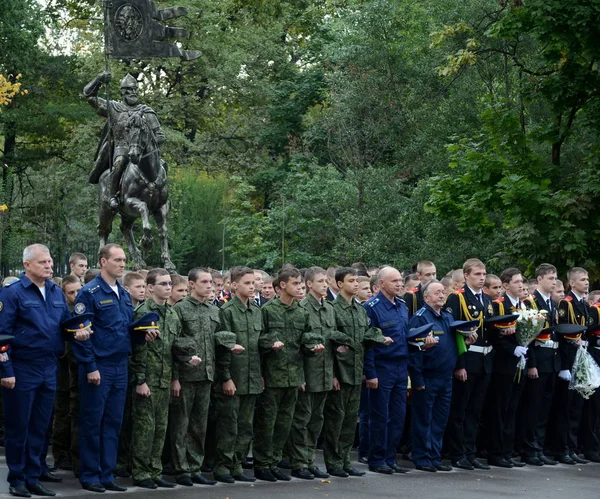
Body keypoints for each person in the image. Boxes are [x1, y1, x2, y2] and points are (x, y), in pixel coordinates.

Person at [0, 244, 90, 498]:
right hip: (21, 367)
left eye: (50, 261)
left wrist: (77, 334)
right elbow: (1, 335)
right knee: (19, 426)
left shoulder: (54, 292)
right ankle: (17, 478)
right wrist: (5, 369)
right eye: (43, 262)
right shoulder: (12, 293)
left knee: (40, 425)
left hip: (49, 367)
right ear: (27, 265)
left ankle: (32, 475)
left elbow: (62, 326)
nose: (49, 266)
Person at [71, 243, 144, 493]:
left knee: (113, 421)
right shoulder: (89, 293)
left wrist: (143, 335)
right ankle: (90, 474)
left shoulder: (123, 294)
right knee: (93, 421)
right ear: (103, 262)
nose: (123, 264)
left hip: (119, 365)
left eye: (124, 260)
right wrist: (90, 366)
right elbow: (82, 334)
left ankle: (106, 472)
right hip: (99, 365)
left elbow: (124, 331)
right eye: (117, 260)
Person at [253, 267, 324, 482]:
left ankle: (274, 461)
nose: (299, 288)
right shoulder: (267, 310)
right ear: (282, 285)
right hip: (272, 375)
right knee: (267, 423)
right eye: (295, 284)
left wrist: (312, 348)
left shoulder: (301, 312)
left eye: (300, 284)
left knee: (285, 424)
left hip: (293, 375)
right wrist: (266, 359)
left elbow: (306, 339)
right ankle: (262, 463)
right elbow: (259, 342)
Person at [324, 267, 391, 478]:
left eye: (356, 280)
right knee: (336, 419)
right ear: (339, 284)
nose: (355, 284)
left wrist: (378, 339)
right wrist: (333, 374)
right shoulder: (332, 309)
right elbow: (329, 344)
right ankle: (333, 461)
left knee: (350, 419)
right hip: (340, 372)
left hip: (355, 371)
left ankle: (344, 460)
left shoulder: (360, 309)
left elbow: (364, 339)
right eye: (350, 280)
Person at [287, 267, 353, 480]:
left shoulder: (328, 308)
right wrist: (300, 376)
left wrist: (334, 372)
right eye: (321, 281)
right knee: (302, 419)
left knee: (317, 420)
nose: (325, 284)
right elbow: (296, 346)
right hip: (308, 372)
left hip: (325, 372)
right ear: (309, 284)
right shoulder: (302, 308)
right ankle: (299, 462)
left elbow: (331, 342)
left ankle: (308, 461)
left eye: (327, 281)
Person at [408, 281, 477, 472]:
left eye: (443, 292)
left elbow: (454, 345)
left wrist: (468, 340)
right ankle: (422, 457)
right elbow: (413, 352)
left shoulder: (447, 317)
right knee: (423, 419)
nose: (441, 295)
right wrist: (418, 380)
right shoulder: (419, 318)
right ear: (426, 297)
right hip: (427, 376)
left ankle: (434, 456)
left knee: (439, 419)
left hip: (445, 377)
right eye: (437, 292)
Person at [84, 72, 165, 210]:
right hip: (122, 148)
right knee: (120, 163)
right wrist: (99, 79)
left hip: (143, 152)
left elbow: (160, 136)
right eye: (129, 90)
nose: (133, 93)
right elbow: (89, 95)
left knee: (162, 167)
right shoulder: (113, 108)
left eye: (135, 90)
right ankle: (112, 196)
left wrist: (149, 145)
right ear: (123, 92)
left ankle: (162, 196)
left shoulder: (147, 112)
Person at [130, 269, 181, 489]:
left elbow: (174, 350)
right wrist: (140, 380)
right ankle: (141, 472)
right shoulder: (143, 312)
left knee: (161, 427)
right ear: (150, 287)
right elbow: (137, 350)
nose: (168, 287)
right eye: (163, 284)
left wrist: (175, 378)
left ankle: (154, 469)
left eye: (170, 283)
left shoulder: (172, 313)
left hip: (165, 377)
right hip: (148, 379)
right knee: (144, 428)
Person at [170, 268, 220, 487]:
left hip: (207, 374)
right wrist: (175, 377)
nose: (210, 285)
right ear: (191, 284)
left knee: (200, 425)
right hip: (186, 375)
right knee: (181, 424)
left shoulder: (213, 310)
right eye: (205, 282)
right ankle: (181, 468)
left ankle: (195, 466)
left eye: (211, 282)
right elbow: (172, 346)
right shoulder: (179, 309)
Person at [212, 266, 262, 483]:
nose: (252, 287)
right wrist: (226, 377)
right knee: (228, 425)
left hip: (251, 378)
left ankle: (237, 463)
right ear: (234, 285)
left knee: (245, 426)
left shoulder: (257, 311)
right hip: (234, 377)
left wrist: (260, 375)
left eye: (253, 283)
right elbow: (223, 348)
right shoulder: (227, 312)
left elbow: (259, 348)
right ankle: (223, 465)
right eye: (247, 283)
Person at [444, 258, 494, 471]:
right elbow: (453, 332)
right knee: (460, 409)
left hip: (484, 360)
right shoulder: (457, 298)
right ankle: (457, 453)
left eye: (483, 275)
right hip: (468, 359)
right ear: (466, 276)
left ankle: (470, 452)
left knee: (475, 410)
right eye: (477, 274)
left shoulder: (487, 299)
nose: (482, 278)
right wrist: (460, 364)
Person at [363, 267, 410, 475]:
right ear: (381, 284)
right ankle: (377, 458)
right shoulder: (371, 307)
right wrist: (371, 373)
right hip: (382, 367)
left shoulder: (402, 306)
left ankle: (390, 458)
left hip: (401, 366)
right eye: (394, 281)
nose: (399, 284)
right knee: (380, 416)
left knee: (398, 416)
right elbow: (368, 343)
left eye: (400, 281)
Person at [518, 263, 560, 466]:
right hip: (538, 361)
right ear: (540, 279)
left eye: (555, 278)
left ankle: (539, 446)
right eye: (551, 278)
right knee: (532, 408)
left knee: (544, 408)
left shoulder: (552, 303)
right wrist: (531, 364)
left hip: (551, 360)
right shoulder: (530, 302)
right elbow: (528, 338)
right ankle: (529, 448)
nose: (554, 282)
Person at [486, 268, 526, 468]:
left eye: (522, 282)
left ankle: (508, 451)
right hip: (503, 364)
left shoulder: (525, 305)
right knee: (500, 409)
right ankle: (496, 452)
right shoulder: (499, 305)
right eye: (517, 282)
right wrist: (512, 349)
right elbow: (494, 335)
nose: (521, 285)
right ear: (506, 284)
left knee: (513, 409)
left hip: (521, 363)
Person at [554, 267, 591, 465]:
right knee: (566, 408)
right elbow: (564, 335)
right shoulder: (566, 304)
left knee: (577, 407)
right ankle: (562, 449)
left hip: (580, 358)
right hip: (569, 359)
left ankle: (572, 446)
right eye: (582, 279)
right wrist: (565, 366)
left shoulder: (583, 304)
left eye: (587, 279)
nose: (586, 282)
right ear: (572, 283)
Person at [52, 275, 83, 473]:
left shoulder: (83, 310)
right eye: (71, 292)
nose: (76, 295)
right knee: (63, 415)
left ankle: (74, 454)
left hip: (78, 369)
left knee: (76, 413)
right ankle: (60, 455)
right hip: (64, 371)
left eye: (78, 291)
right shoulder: (63, 312)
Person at [582, 290, 600, 462]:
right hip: (596, 357)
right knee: (595, 406)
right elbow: (588, 330)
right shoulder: (596, 309)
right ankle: (592, 447)